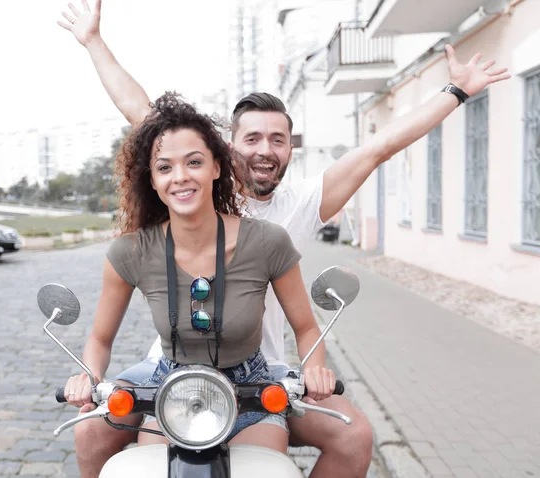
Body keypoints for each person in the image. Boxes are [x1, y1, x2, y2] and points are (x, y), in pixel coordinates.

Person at [57, 1, 510, 477]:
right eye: (252, 138)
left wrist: (455, 91)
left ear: (291, 147)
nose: (265, 150)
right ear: (226, 150)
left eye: (278, 139)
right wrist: (93, 42)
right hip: (174, 369)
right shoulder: (191, 181)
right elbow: (144, 113)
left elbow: (379, 147)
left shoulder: (300, 204)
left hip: (263, 370)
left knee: (354, 435)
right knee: (93, 431)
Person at [64, 92, 338, 475]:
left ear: (216, 167)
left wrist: (315, 370)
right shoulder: (132, 251)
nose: (180, 177)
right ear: (153, 179)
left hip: (250, 391)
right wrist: (89, 376)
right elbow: (100, 338)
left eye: (193, 162)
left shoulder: (267, 240)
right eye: (165, 167)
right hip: (169, 387)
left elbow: (306, 327)